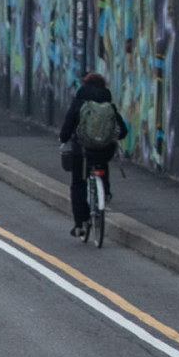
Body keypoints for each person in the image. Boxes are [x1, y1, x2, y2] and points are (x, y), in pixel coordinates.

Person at [59, 70, 127, 236]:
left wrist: (64, 139)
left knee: (78, 183)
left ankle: (79, 225)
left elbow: (66, 128)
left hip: (81, 150)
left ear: (85, 84)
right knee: (101, 162)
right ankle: (106, 192)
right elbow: (123, 130)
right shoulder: (108, 104)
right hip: (104, 150)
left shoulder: (79, 101)